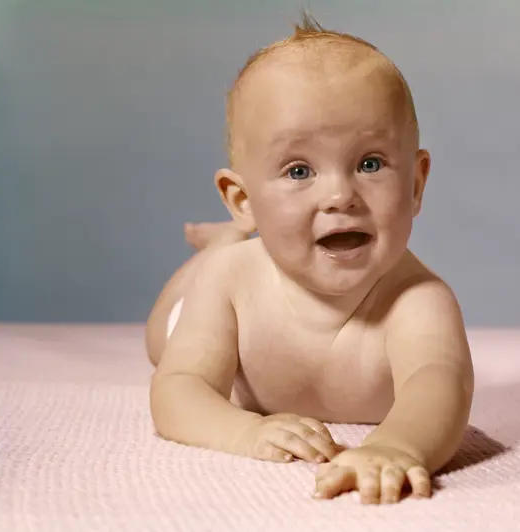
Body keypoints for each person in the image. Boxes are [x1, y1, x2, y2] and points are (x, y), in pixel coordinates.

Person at [146, 13, 474, 505]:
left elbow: (440, 385)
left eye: (370, 164)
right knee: (160, 339)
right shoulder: (231, 282)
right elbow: (177, 391)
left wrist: (398, 445)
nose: (341, 195)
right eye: (299, 170)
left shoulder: (418, 300)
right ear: (243, 198)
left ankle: (240, 233)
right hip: (208, 295)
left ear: (415, 184)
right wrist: (243, 432)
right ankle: (226, 239)